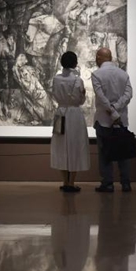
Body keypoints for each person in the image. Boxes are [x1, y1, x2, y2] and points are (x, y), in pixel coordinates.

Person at [92, 47, 134, 192]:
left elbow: (101, 98)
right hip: (121, 120)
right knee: (123, 154)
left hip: (104, 120)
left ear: (99, 57)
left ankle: (108, 183)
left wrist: (112, 110)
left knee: (105, 154)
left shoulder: (96, 74)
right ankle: (126, 183)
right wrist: (117, 108)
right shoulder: (123, 74)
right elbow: (129, 94)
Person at [50, 52, 90, 192]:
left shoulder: (56, 79)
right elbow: (81, 100)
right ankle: (71, 182)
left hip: (60, 112)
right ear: (75, 63)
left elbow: (54, 95)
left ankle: (65, 181)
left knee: (60, 146)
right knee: (75, 146)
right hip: (75, 115)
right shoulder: (78, 80)